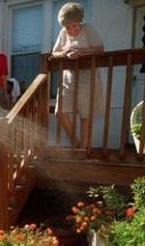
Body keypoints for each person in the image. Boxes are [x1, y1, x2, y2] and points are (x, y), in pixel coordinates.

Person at [52, 2, 104, 148]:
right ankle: (75, 142)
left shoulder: (88, 29)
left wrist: (80, 52)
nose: (72, 30)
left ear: (79, 22)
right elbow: (54, 53)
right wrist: (65, 52)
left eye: (74, 26)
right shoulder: (63, 33)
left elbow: (100, 49)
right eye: (68, 27)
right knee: (59, 112)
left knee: (85, 115)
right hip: (68, 79)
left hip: (87, 78)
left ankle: (83, 150)